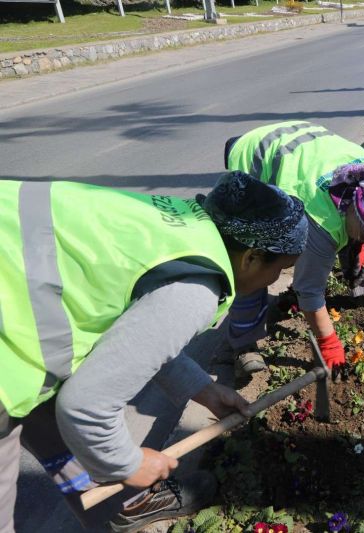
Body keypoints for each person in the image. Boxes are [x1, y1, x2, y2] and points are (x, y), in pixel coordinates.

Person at [0, 172, 308, 533]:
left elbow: (135, 336)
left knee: (52, 417)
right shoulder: (195, 288)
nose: (274, 281)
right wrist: (128, 465)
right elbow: (85, 406)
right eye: (280, 269)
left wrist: (202, 389)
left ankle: (123, 505)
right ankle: (127, 493)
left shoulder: (179, 228)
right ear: (252, 258)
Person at [223, 121, 364, 377]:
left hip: (306, 143)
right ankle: (243, 344)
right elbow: (309, 291)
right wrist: (329, 344)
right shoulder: (319, 220)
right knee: (254, 261)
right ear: (353, 207)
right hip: (259, 155)